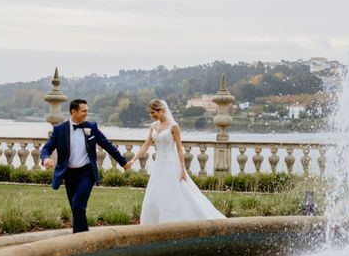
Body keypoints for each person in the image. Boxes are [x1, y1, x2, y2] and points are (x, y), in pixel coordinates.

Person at [41, 98, 132, 233]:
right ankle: (84, 238)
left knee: (78, 205)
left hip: (86, 173)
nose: (86, 114)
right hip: (69, 174)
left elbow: (107, 145)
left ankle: (80, 239)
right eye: (84, 111)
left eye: (86, 111)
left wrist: (123, 162)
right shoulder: (59, 130)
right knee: (75, 208)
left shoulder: (91, 127)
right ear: (73, 112)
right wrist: (46, 158)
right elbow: (46, 148)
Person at [131, 99, 225, 224]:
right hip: (159, 164)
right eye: (150, 113)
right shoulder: (153, 126)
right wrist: (133, 159)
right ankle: (156, 223)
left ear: (162, 110)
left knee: (175, 192)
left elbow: (180, 149)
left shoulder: (173, 126)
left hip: (171, 163)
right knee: (156, 192)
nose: (151, 115)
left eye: (153, 113)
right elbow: (145, 146)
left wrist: (182, 169)